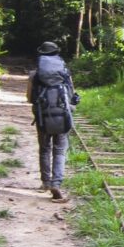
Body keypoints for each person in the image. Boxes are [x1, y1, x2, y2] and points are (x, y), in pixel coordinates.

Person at [26, 41, 78, 201]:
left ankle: (46, 182)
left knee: (44, 149)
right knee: (60, 150)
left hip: (43, 116)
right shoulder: (64, 72)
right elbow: (72, 96)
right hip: (62, 115)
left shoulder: (35, 74)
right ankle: (56, 183)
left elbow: (29, 98)